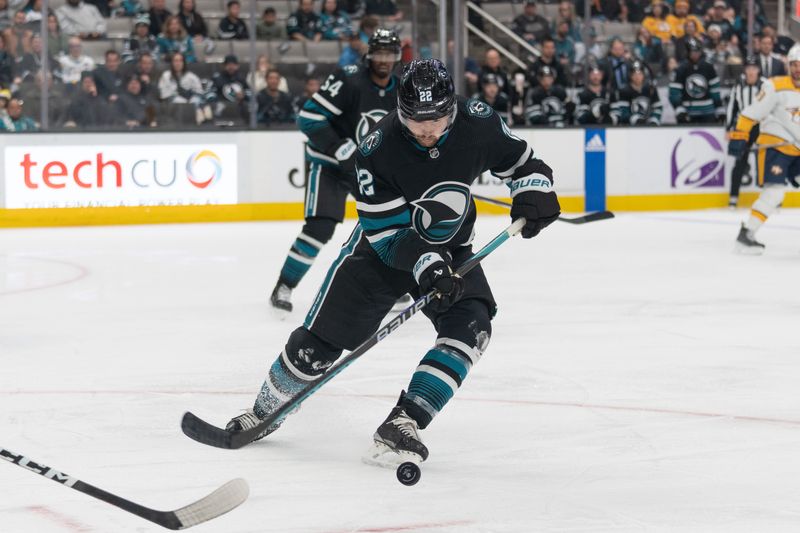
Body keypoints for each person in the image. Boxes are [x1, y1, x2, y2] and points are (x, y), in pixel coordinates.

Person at [224, 59, 560, 467]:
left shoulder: (478, 122)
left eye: (437, 121)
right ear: (401, 114)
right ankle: (263, 412)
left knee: (471, 325)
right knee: (319, 346)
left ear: (452, 107)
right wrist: (429, 266)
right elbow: (389, 235)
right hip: (379, 254)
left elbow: (523, 163)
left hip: (451, 252)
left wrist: (534, 190)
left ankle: (405, 420)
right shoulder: (376, 149)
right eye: (417, 123)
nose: (428, 132)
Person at [270, 29, 401, 312]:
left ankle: (395, 283)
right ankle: (284, 285)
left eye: (389, 54)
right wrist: (340, 148)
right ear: (369, 55)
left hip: (363, 170)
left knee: (393, 223)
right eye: (379, 53)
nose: (384, 60)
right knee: (320, 227)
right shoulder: (349, 78)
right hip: (329, 165)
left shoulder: (400, 91)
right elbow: (309, 117)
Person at [730, 45, 800, 253]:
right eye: (794, 65)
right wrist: (740, 134)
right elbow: (751, 112)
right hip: (775, 147)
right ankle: (746, 235)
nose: (798, 69)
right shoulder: (774, 86)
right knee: (775, 194)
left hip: (797, 150)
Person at [726, 55, 765, 208]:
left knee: (765, 161)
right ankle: (733, 198)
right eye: (748, 68)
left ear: (758, 70)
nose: (751, 72)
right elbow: (732, 107)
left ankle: (770, 199)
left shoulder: (765, 86)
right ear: (744, 70)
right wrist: (729, 128)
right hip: (743, 128)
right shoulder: (738, 85)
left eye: (754, 68)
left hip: (761, 127)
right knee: (739, 162)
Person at [669, 36, 722, 123]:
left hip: (708, 112)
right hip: (688, 112)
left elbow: (715, 91)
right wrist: (679, 108)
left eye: (697, 51)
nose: (695, 54)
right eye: (693, 51)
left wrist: (719, 109)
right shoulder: (681, 69)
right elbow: (674, 93)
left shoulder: (709, 67)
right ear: (688, 52)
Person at [158, 51, 210, 124]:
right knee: (179, 101)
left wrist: (191, 98)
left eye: (180, 61)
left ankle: (201, 118)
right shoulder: (166, 76)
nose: (178, 63)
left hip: (191, 102)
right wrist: (180, 99)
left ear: (184, 63)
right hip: (173, 105)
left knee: (196, 100)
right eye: (175, 61)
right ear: (172, 63)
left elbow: (199, 92)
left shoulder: (191, 76)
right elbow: (163, 94)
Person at [612, 59, 662, 125]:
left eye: (639, 74)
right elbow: (624, 113)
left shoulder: (650, 89)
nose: (637, 77)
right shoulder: (624, 91)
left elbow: (658, 107)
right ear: (630, 76)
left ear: (643, 75)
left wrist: (654, 119)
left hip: (649, 125)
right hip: (630, 128)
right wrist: (635, 119)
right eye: (634, 74)